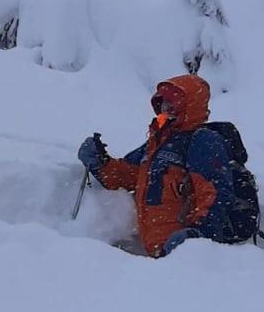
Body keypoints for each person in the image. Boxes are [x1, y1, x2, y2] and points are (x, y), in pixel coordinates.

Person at [77, 74, 234, 257]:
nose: (165, 108)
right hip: (157, 256)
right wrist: (100, 162)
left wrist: (196, 239)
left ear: (190, 105)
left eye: (173, 102)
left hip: (185, 259)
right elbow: (126, 176)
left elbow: (216, 196)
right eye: (163, 102)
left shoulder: (203, 141)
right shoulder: (158, 142)